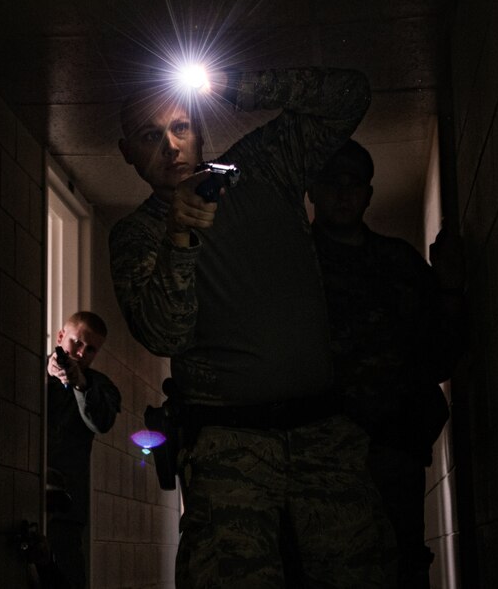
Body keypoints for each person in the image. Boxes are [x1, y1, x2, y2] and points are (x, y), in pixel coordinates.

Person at [109, 67, 395, 588]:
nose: (171, 147)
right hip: (226, 444)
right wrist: (179, 240)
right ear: (127, 150)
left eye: (180, 127)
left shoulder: (261, 166)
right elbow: (163, 335)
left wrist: (241, 85)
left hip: (323, 430)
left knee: (359, 570)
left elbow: (350, 95)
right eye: (151, 137)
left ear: (199, 128)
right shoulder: (137, 234)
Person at [307, 139, 466, 588]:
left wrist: (452, 293)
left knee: (399, 566)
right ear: (312, 190)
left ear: (368, 194)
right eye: (331, 182)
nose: (343, 193)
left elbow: (440, 356)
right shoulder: (293, 264)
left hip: (392, 454)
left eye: (353, 183)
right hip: (313, 460)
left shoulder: (399, 264)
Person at [45, 311, 121, 589]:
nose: (81, 353)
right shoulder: (34, 368)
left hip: (67, 505)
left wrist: (80, 384)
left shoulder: (100, 386)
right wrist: (48, 374)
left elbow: (101, 422)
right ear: (61, 336)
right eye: (77, 343)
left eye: (90, 349)